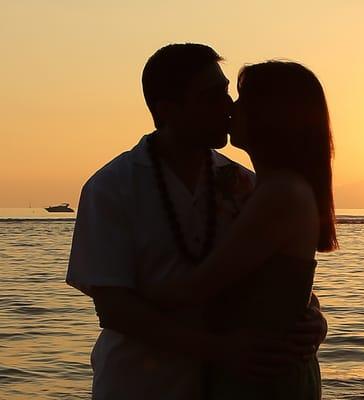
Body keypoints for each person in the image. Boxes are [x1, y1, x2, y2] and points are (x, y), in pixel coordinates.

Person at [66, 44, 328, 399]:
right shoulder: (112, 187)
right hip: (138, 383)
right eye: (212, 96)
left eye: (226, 92)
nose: (228, 107)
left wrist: (311, 313)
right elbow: (114, 309)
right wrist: (220, 350)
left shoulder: (243, 184)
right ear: (166, 112)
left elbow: (270, 271)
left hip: (223, 382)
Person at [142, 60, 337, 399]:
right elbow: (278, 282)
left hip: (263, 377)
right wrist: (314, 312)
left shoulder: (280, 193)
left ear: (271, 115)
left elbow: (201, 287)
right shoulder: (262, 187)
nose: (230, 107)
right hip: (259, 370)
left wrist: (120, 296)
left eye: (242, 99)